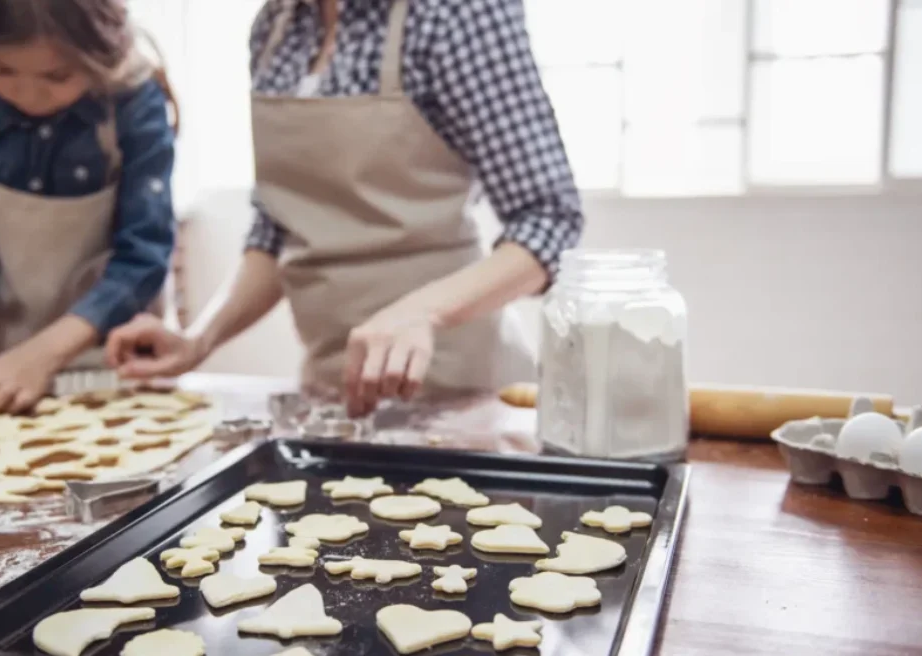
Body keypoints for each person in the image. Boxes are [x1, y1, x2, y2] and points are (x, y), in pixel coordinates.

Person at [108, 0, 583, 416]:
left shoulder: (453, 13)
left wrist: (422, 312)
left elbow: (549, 219)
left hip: (458, 389)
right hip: (332, 390)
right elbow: (278, 227)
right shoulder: (276, 27)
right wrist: (199, 341)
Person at [0, 0, 178, 417]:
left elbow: (143, 256)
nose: (27, 94)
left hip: (114, 366)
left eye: (56, 76)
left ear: (101, 56)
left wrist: (42, 356)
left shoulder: (133, 105)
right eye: (2, 70)